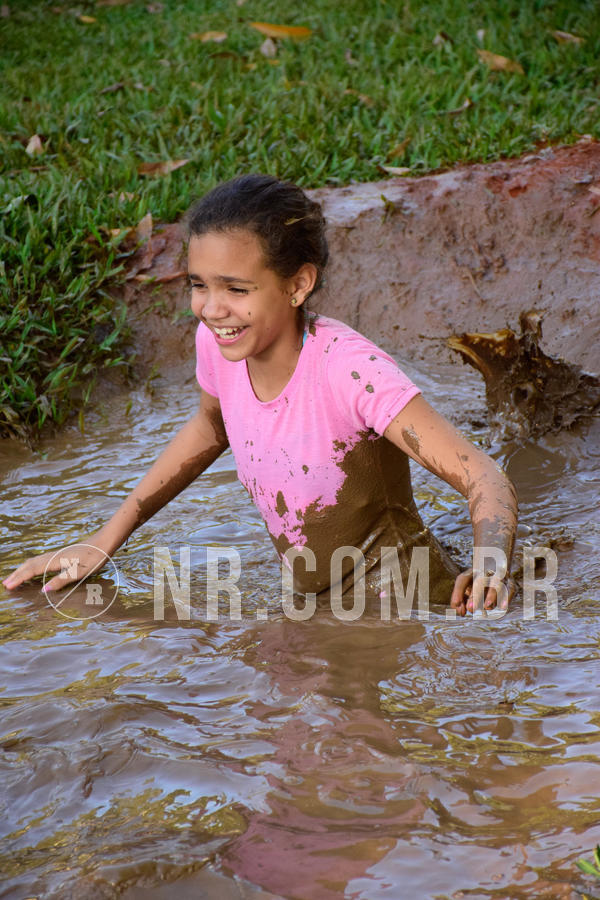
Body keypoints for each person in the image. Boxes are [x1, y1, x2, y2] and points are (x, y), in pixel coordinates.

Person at [3, 174, 517, 615]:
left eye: (236, 289)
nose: (210, 308)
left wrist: (490, 566)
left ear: (297, 285)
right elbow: (212, 426)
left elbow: (483, 476)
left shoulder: (350, 372)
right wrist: (103, 540)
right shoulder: (219, 344)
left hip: (407, 606)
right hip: (319, 607)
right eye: (198, 284)